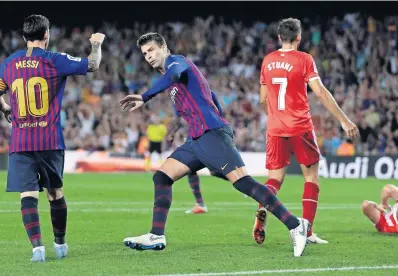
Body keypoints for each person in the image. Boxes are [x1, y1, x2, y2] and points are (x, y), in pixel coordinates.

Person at [120, 32, 310, 257]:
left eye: (151, 50)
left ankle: (296, 225)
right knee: (162, 177)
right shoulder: (173, 81)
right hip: (197, 138)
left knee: (244, 184)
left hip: (211, 134)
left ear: (164, 47)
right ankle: (156, 235)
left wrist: (145, 96)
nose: (148, 56)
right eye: (144, 54)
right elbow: (210, 95)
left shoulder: (175, 62)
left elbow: (175, 73)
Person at [0, 14, 105, 262]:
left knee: (27, 196)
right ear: (46, 35)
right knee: (55, 193)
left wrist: (6, 109)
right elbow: (92, 64)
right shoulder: (55, 60)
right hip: (49, 140)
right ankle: (60, 245)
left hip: (21, 142)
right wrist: (96, 43)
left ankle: (37, 249)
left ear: (24, 38)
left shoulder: (9, 63)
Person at [255, 17, 360, 245]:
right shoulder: (304, 59)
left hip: (275, 127)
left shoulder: (268, 60)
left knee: (274, 179)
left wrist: (275, 117)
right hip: (300, 126)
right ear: (299, 37)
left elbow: (263, 99)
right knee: (311, 177)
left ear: (279, 37)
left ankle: (262, 207)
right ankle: (308, 231)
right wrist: (344, 120)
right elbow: (320, 92)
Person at [167, 92, 228, 214]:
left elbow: (219, 113)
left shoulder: (207, 93)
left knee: (214, 170)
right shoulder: (178, 96)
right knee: (190, 168)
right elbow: (180, 119)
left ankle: (244, 182)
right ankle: (200, 204)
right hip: (194, 135)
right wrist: (174, 132)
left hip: (207, 134)